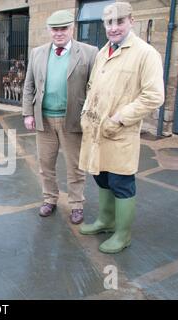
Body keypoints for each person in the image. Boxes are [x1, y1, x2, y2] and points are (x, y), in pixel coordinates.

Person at [78, 2, 164, 253]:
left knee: (121, 182)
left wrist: (119, 118)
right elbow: (93, 86)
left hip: (120, 132)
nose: (113, 28)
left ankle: (123, 234)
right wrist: (86, 114)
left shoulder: (145, 53)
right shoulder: (104, 51)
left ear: (131, 21)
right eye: (109, 23)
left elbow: (153, 96)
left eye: (119, 22)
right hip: (96, 131)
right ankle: (106, 221)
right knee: (101, 177)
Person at [22, 10, 98, 224]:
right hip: (44, 120)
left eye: (63, 28)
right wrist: (28, 113)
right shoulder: (37, 52)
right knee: (45, 165)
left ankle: (76, 204)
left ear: (72, 28)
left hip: (72, 120)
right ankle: (49, 199)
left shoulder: (89, 52)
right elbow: (29, 85)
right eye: (55, 29)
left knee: (75, 167)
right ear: (49, 31)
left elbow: (95, 88)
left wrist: (90, 116)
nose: (59, 33)